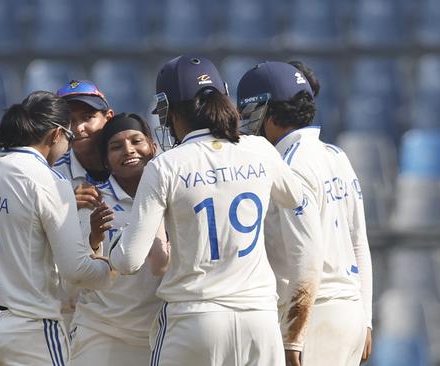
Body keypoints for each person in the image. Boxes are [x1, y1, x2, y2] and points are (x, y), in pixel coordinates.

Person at [109, 55, 305, 366]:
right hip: (259, 318)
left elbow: (130, 261)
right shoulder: (258, 149)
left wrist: (110, 249)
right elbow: (296, 199)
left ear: (168, 110)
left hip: (195, 319)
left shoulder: (166, 165)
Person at [0, 91, 113, 366]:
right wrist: (110, 269)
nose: (68, 146)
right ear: (55, 134)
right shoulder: (49, 181)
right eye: (68, 138)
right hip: (29, 330)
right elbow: (75, 269)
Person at [236, 61, 373, 366]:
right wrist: (366, 318)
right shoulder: (336, 155)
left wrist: (293, 336)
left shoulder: (288, 165)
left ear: (268, 113)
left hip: (313, 317)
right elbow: (359, 243)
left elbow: (307, 255)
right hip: (348, 311)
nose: (247, 125)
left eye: (249, 114)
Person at [69, 113, 169, 366]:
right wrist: (94, 237)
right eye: (116, 146)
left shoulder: (175, 195)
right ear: (105, 160)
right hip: (101, 334)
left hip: (160, 334)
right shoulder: (94, 201)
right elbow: (77, 272)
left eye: (136, 141)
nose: (128, 150)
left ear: (153, 147)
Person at [54, 79, 115, 209]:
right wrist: (65, 207)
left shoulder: (131, 163)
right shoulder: (52, 175)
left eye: (87, 117)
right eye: (69, 121)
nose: (78, 128)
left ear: (108, 118)